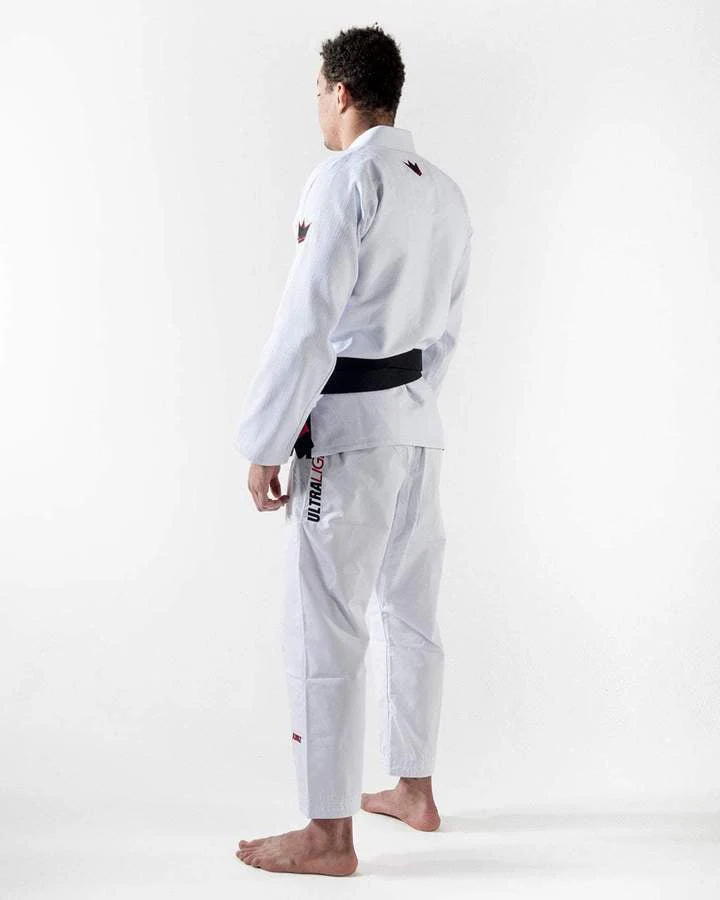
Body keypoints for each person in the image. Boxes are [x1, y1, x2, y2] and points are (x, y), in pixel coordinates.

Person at [233, 23, 473, 876]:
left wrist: (267, 440)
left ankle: (328, 835)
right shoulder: (444, 192)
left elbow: (308, 322)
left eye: (317, 92)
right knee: (410, 613)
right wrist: (408, 406)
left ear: (340, 91)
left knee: (324, 625)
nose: (317, 107)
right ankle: (415, 788)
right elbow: (446, 330)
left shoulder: (345, 179)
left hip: (348, 438)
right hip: (416, 427)